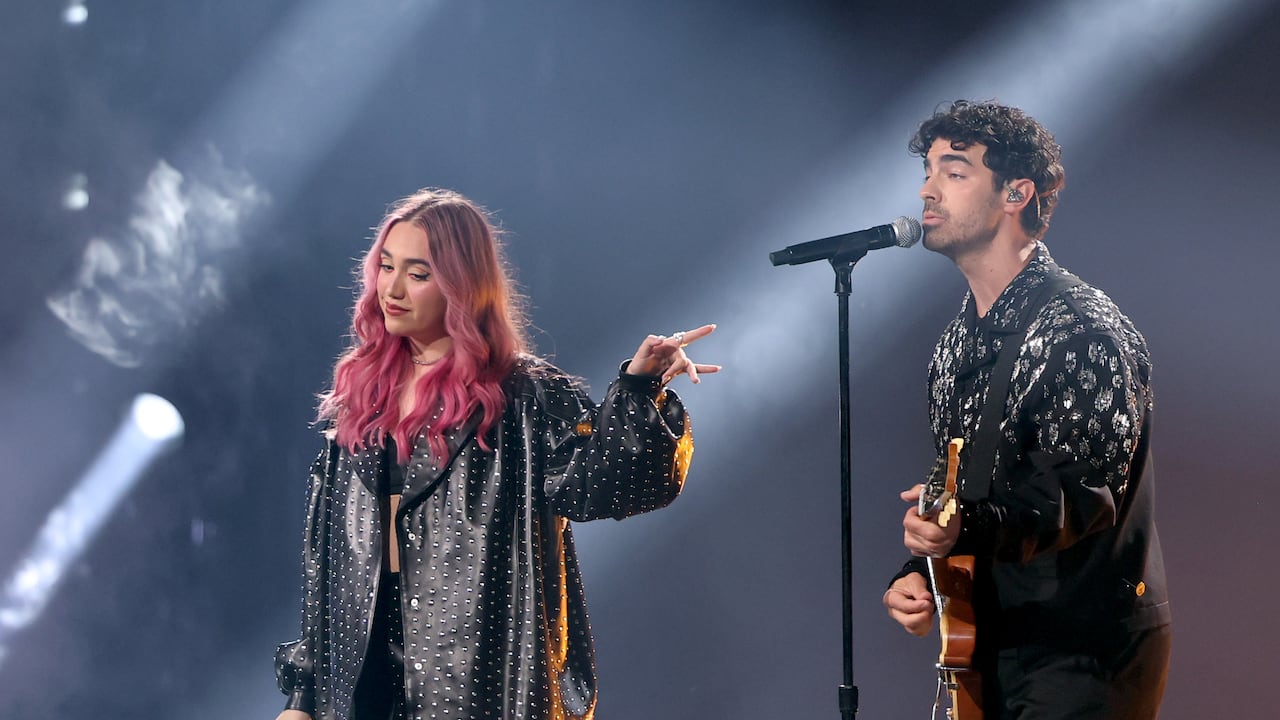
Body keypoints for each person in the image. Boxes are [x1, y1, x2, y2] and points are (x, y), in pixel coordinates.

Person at [273, 188, 718, 720]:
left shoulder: (523, 395)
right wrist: (303, 699)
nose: (391, 287)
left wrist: (640, 390)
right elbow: (326, 566)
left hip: (477, 685)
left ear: (461, 286)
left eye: (417, 273)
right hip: (362, 690)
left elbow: (604, 485)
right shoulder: (361, 401)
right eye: (385, 266)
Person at [881, 101, 1171, 719]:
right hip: (992, 641)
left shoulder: (1082, 332)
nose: (927, 191)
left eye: (954, 173)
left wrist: (964, 529)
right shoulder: (956, 346)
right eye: (928, 171)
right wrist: (920, 566)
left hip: (1082, 650)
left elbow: (1080, 498)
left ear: (1017, 193)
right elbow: (963, 488)